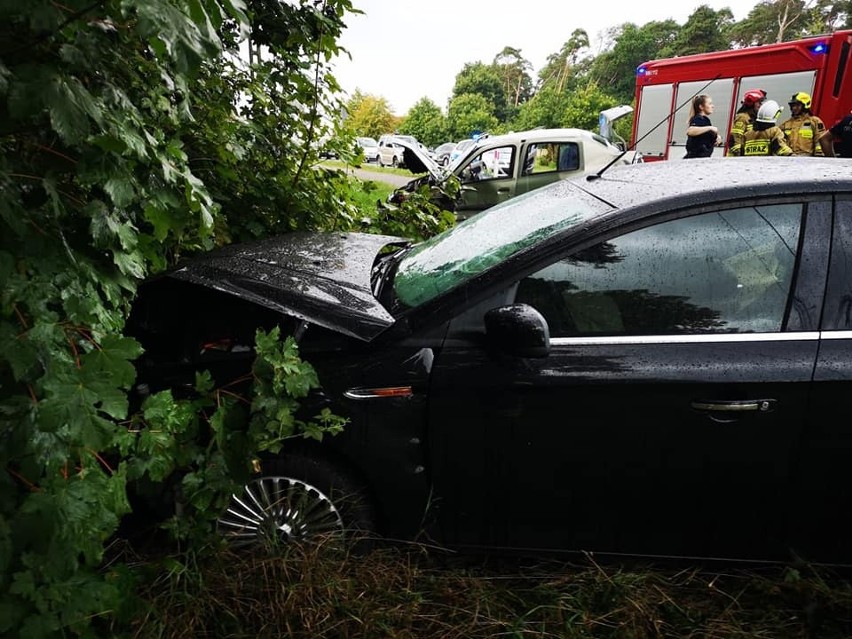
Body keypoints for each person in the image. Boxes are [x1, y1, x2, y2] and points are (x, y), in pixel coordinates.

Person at [726, 88, 767, 156]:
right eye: (759, 102)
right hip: (737, 160)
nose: (761, 105)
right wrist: (739, 158)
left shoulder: (753, 118)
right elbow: (737, 139)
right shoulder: (742, 117)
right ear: (751, 103)